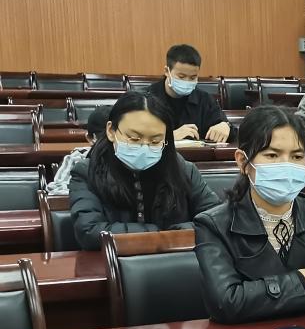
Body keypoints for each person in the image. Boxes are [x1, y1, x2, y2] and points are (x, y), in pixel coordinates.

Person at [195, 105, 305, 324]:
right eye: (272, 155)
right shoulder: (214, 225)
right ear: (243, 162)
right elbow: (227, 303)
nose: (286, 165)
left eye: (297, 156)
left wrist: (269, 297)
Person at [69, 93, 219, 250]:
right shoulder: (87, 172)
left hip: (178, 259)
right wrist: (163, 235)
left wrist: (172, 234)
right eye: (134, 138)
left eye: (155, 141)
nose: (144, 147)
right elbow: (89, 231)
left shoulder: (183, 169)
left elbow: (216, 220)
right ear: (111, 131)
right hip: (115, 260)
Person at [148, 44, 231, 144]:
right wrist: (169, 136)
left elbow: (227, 129)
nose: (187, 81)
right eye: (181, 76)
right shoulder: (145, 98)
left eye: (193, 77)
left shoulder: (204, 99)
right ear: (167, 71)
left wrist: (225, 126)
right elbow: (134, 137)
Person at [47, 105, 111, 195]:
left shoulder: (128, 158)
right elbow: (56, 189)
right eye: (105, 138)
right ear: (90, 138)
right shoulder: (77, 158)